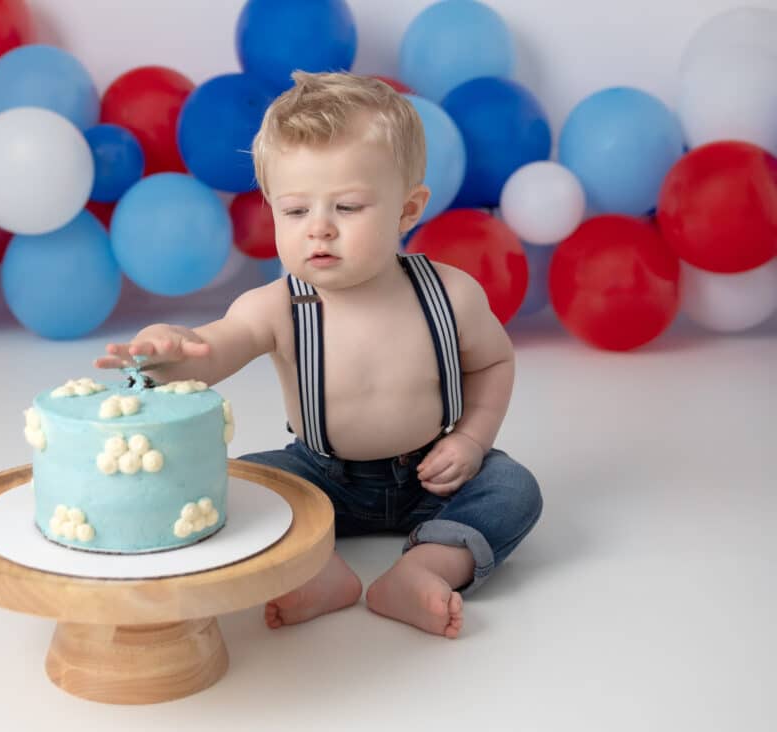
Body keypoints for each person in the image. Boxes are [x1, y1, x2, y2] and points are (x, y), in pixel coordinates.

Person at [95, 71, 542, 638]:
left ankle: (426, 567)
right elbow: (214, 351)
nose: (320, 231)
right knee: (219, 483)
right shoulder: (278, 305)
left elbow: (493, 362)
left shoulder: (449, 294)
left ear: (408, 210)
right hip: (320, 476)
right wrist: (170, 351)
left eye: (349, 207)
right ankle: (315, 570)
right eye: (296, 211)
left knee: (513, 490)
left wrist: (471, 441)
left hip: (433, 477)